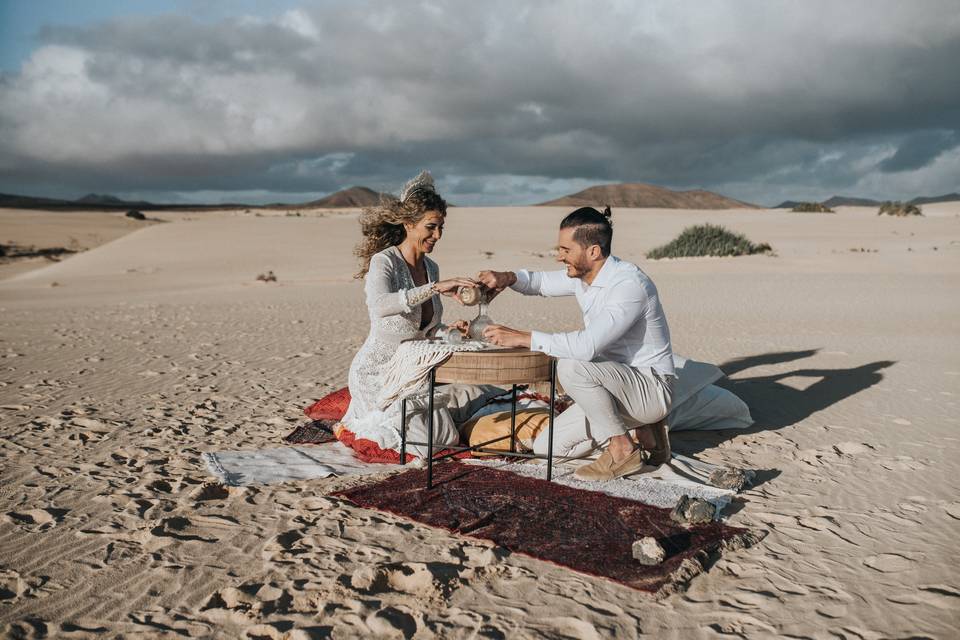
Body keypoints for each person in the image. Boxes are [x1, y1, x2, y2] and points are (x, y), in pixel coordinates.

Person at [476, 206, 675, 481]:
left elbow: (587, 347)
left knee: (571, 366)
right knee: (549, 449)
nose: (559, 256)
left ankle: (622, 448)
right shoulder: (584, 277)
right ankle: (649, 436)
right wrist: (507, 278)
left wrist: (523, 338)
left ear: (593, 251)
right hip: (613, 384)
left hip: (649, 387)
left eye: (565, 250)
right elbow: (541, 282)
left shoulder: (629, 285)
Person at [341, 171, 477, 428]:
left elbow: (425, 331)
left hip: (413, 375)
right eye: (431, 227)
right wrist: (434, 288)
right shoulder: (384, 262)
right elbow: (381, 305)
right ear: (408, 224)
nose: (437, 235)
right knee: (420, 439)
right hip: (376, 375)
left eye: (441, 228)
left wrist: (450, 331)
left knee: (442, 433)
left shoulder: (431, 267)